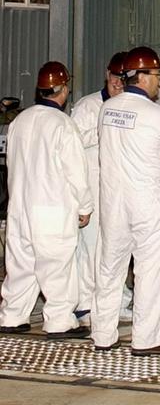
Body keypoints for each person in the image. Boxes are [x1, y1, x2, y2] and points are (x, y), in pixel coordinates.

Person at [91, 46, 160, 356]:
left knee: (109, 269)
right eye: (156, 75)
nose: (158, 81)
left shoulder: (107, 109)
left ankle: (103, 334)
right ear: (142, 77)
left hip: (113, 203)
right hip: (146, 203)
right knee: (149, 271)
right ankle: (147, 339)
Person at [0, 61, 92, 338]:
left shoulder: (19, 121)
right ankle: (60, 321)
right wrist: (85, 206)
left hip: (20, 207)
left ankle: (12, 316)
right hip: (52, 208)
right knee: (57, 267)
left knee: (20, 266)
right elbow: (77, 171)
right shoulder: (63, 124)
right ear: (64, 89)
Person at [70, 51, 132, 324]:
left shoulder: (131, 107)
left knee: (117, 249)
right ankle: (85, 303)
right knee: (91, 248)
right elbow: (72, 147)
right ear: (107, 74)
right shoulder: (88, 106)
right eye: (115, 76)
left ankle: (118, 301)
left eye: (123, 77)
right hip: (92, 188)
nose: (118, 82)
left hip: (118, 190)